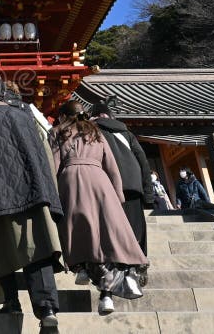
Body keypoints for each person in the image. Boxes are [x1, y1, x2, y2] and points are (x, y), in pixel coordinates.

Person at [0, 76, 64, 327]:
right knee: (38, 250)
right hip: (34, 190)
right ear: (3, 93)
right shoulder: (25, 116)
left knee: (0, 250)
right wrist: (50, 188)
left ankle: (10, 301)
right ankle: (47, 309)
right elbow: (45, 154)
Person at [51, 101, 148, 315]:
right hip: (100, 180)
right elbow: (111, 164)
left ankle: (85, 270)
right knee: (109, 233)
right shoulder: (96, 131)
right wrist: (117, 193)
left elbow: (54, 164)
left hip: (72, 181)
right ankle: (121, 280)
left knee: (83, 234)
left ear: (64, 116)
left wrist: (52, 194)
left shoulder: (59, 132)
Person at [91, 102, 154, 256]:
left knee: (114, 229)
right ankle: (140, 263)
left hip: (108, 186)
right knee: (136, 228)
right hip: (132, 185)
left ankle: (120, 265)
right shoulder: (127, 133)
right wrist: (148, 193)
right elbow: (143, 162)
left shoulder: (93, 131)